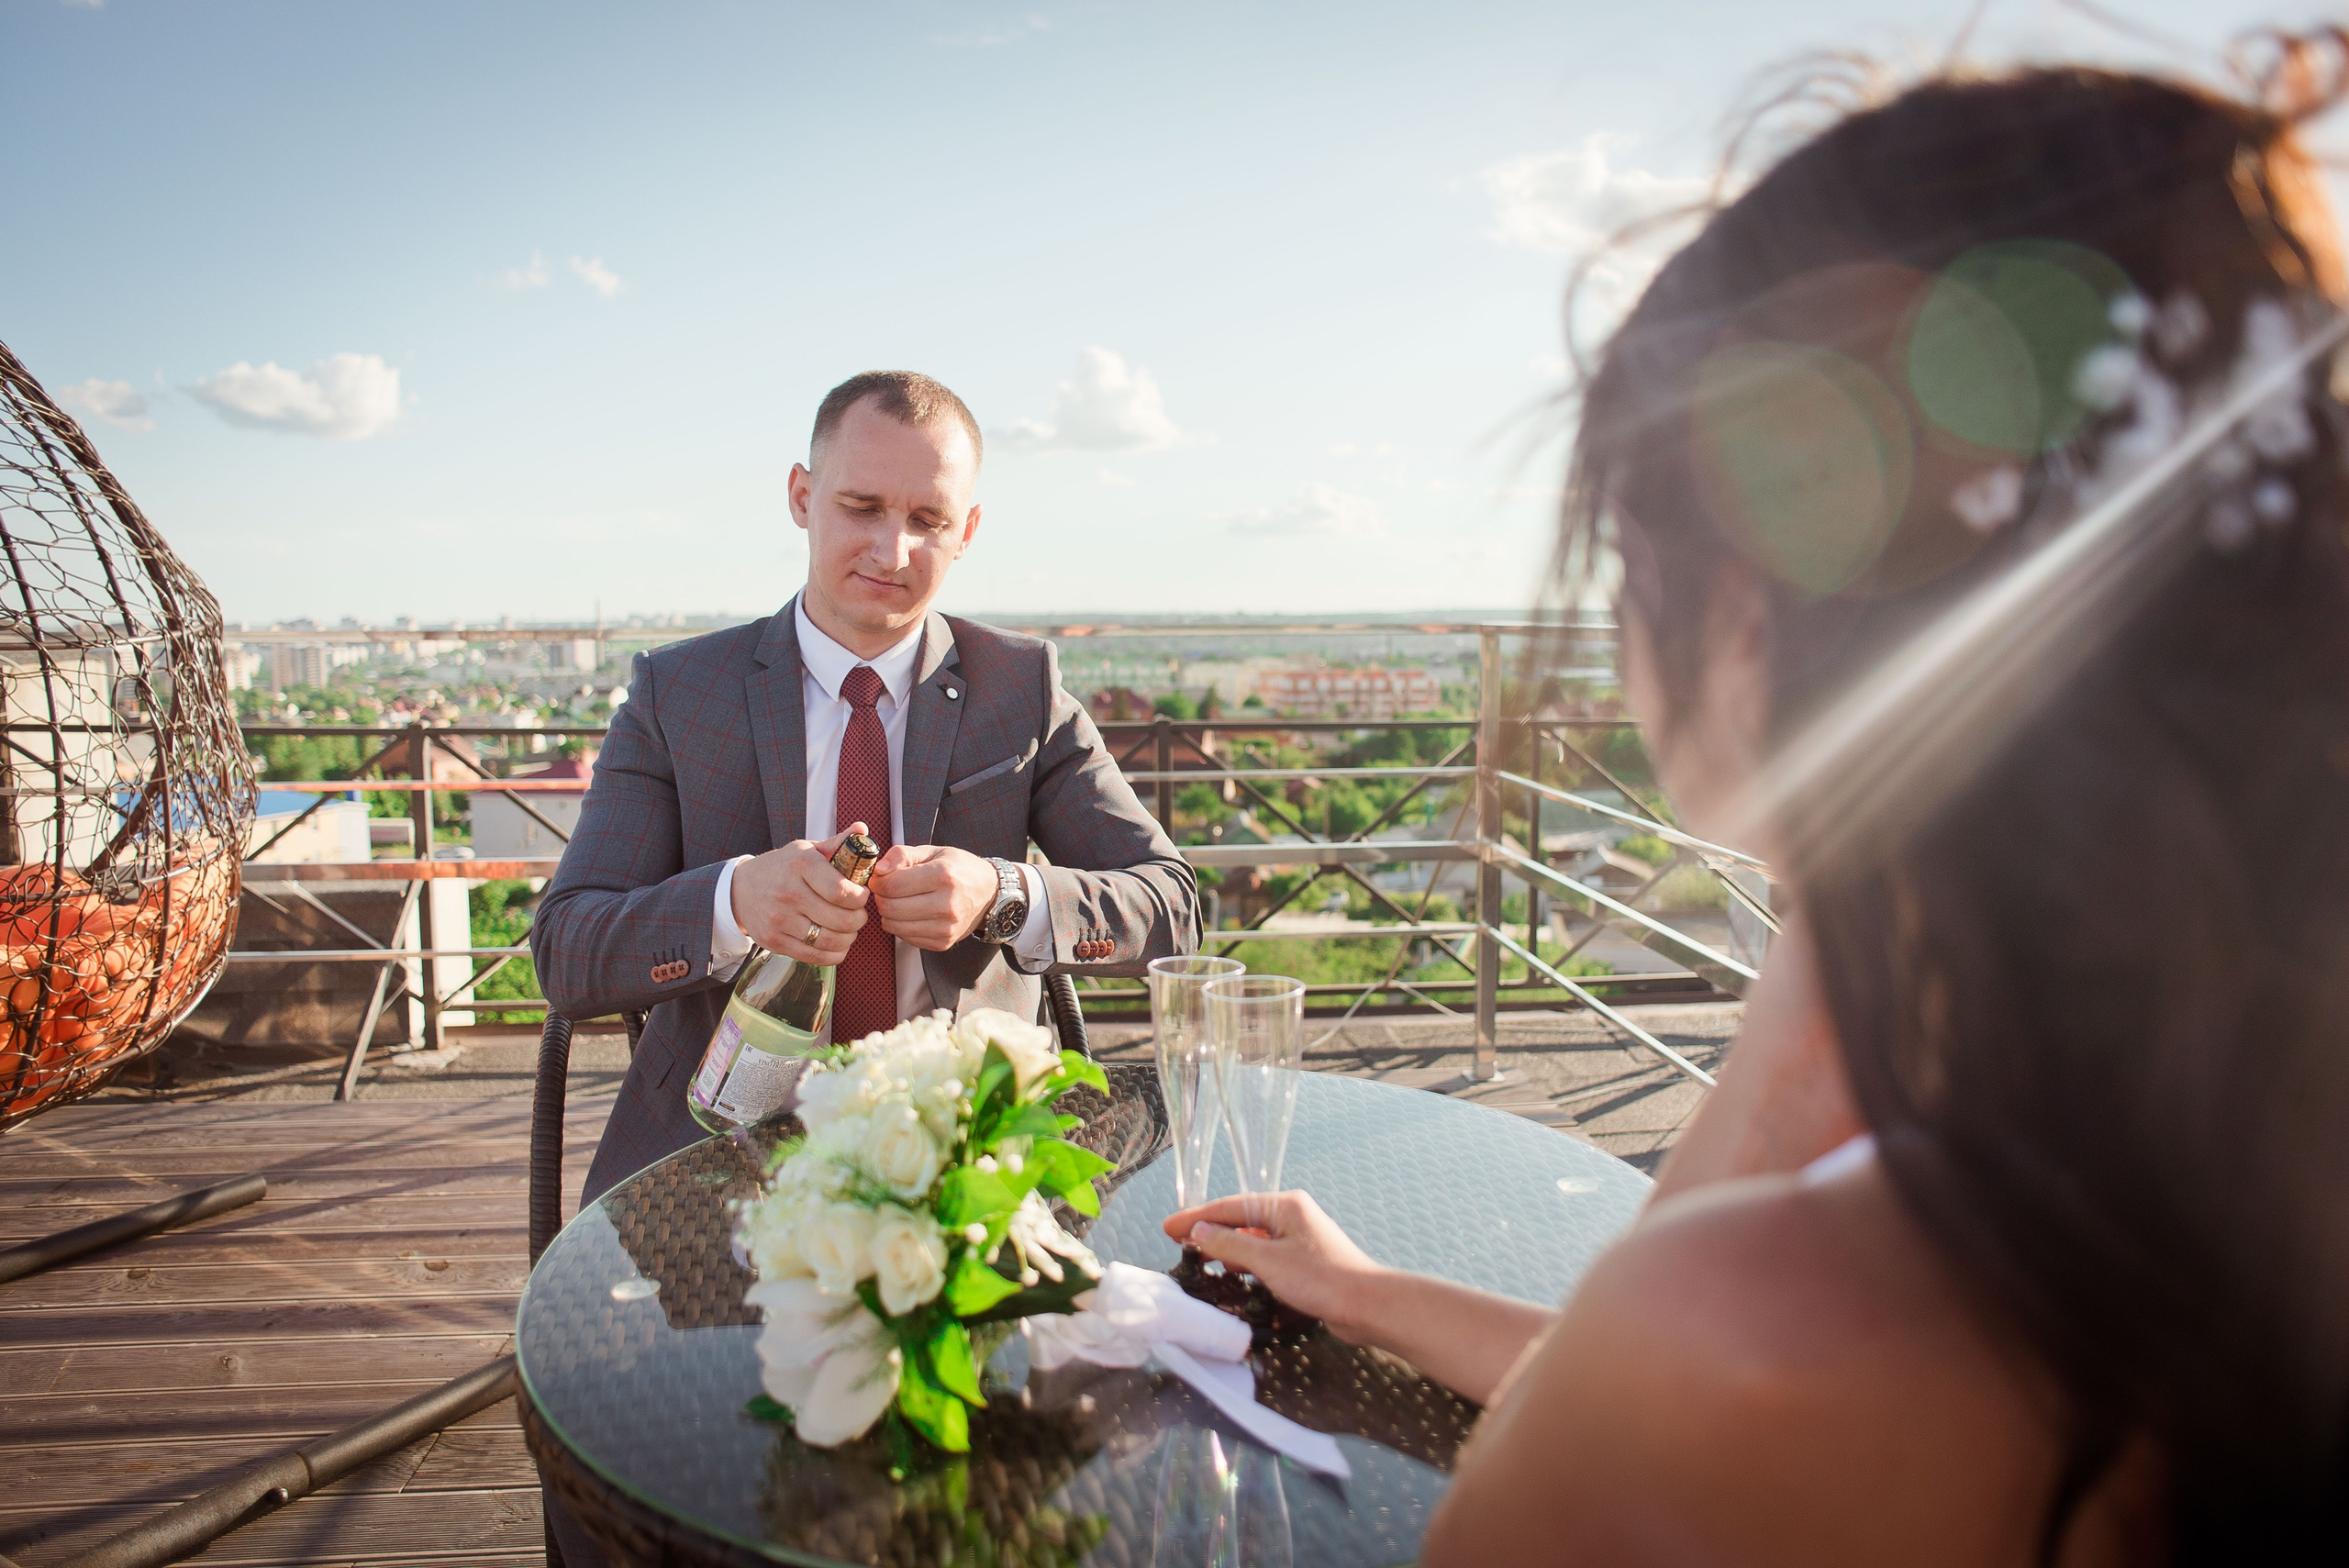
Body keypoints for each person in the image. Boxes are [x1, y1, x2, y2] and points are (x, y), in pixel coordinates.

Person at [1171, 54, 2349, 1564]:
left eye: (1627, 558)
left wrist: (1790, 1056)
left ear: (1743, 624)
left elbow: (1652, 1412)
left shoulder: (1758, 1318)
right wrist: (1374, 1288)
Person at [537, 370, 1200, 1207]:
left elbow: (1172, 906)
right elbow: (567, 950)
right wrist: (734, 901)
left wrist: (1005, 893)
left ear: (969, 531)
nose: (892, 552)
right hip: (719, 1154)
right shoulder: (679, 693)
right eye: (861, 507)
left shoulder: (1020, 688)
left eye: (929, 521)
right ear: (801, 496)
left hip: (967, 1154)